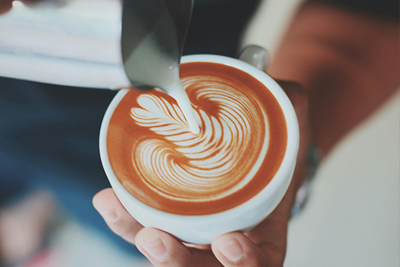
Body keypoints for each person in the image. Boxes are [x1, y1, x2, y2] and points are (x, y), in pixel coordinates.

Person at [0, 0, 398, 267]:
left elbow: (376, 12)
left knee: (126, 227)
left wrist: (292, 163)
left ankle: (31, 219)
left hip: (114, 167)